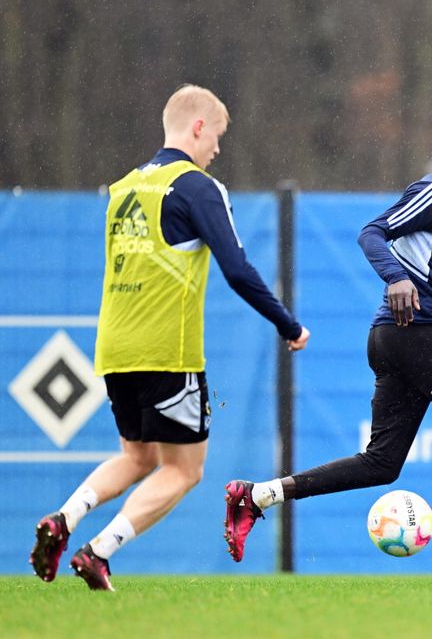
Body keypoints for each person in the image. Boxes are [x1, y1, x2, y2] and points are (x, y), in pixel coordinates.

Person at [29, 84, 310, 592]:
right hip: (166, 350)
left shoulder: (123, 188)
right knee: (184, 470)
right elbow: (238, 271)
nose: (218, 150)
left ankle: (63, 521)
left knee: (137, 458)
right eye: (218, 136)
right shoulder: (198, 187)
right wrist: (289, 325)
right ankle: (98, 552)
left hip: (114, 347)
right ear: (198, 127)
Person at [224, 114, 432, 585]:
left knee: (381, 463)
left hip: (401, 338)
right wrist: (397, 277)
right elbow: (372, 232)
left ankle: (258, 496)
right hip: (419, 332)